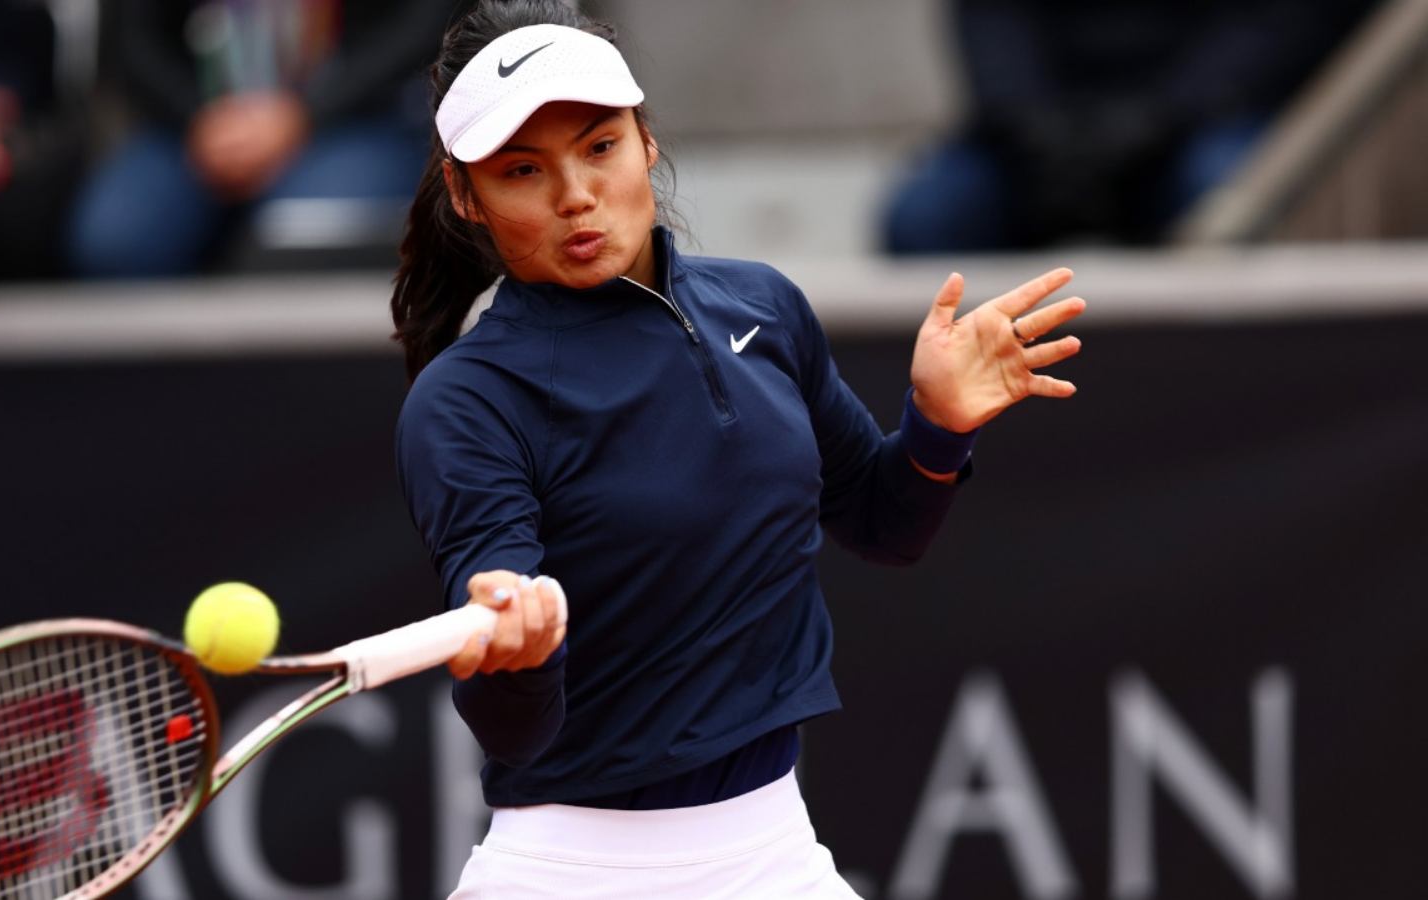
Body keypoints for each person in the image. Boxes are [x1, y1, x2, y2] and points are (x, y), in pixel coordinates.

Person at [391, 1, 1086, 894]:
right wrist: (521, 657)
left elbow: (884, 524)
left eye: (599, 147)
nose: (574, 195)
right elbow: (514, 730)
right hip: (571, 870)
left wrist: (937, 426)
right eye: (523, 170)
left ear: (645, 141)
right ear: (465, 195)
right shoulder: (467, 402)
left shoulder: (763, 307)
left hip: (775, 856)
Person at [879, 0, 1378, 252]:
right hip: (1041, 130)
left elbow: (1280, 24)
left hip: (1197, 125)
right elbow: (994, 16)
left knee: (1229, 210)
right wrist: (1032, 126)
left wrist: (1161, 119)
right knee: (927, 217)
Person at [66, 0, 461, 278]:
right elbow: (132, 40)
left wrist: (302, 114)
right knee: (117, 243)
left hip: (351, 117)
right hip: (190, 124)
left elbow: (421, 27)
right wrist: (201, 121)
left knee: (305, 243)